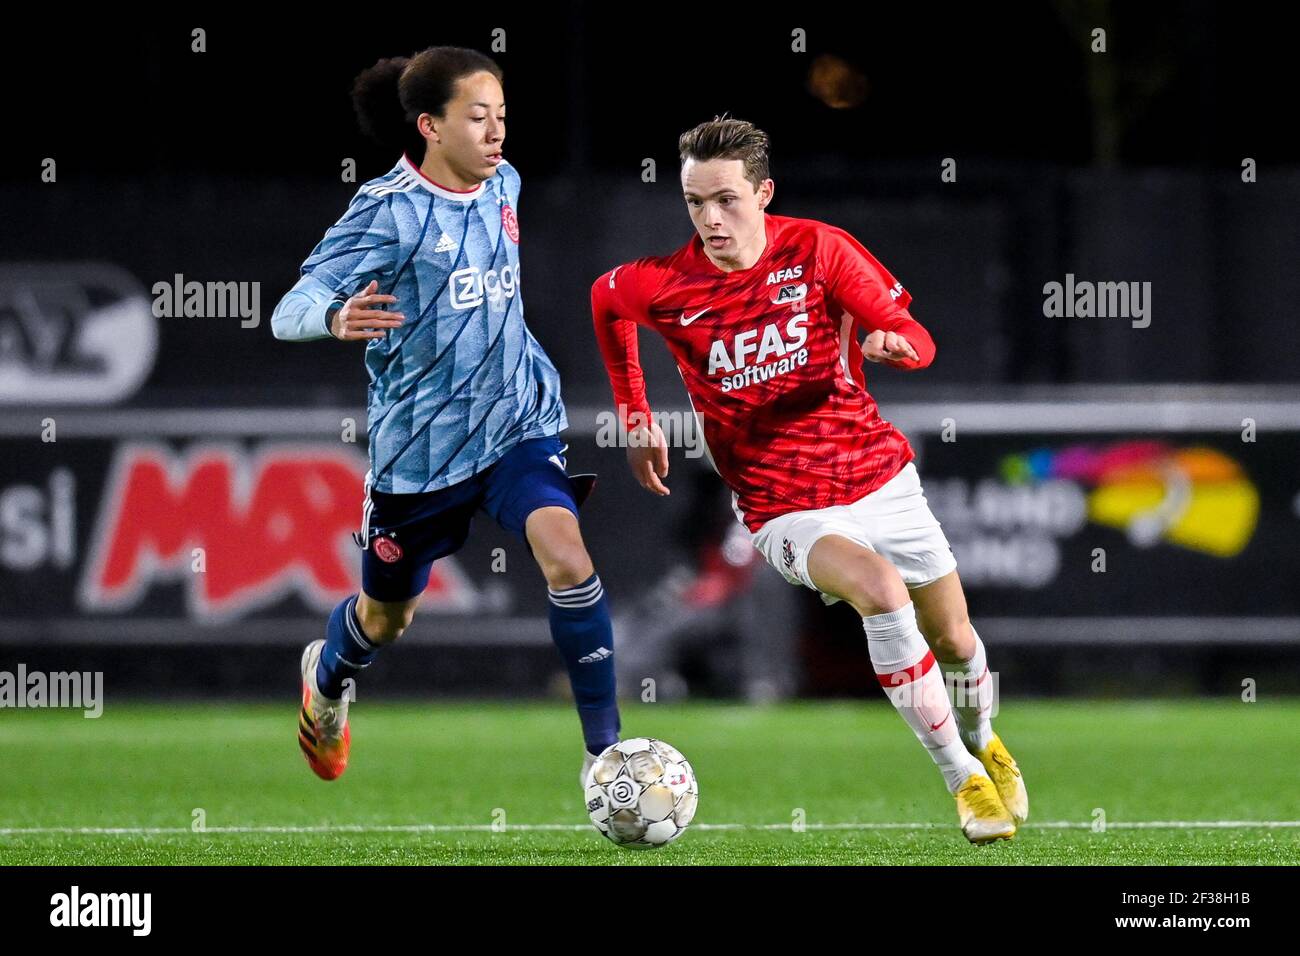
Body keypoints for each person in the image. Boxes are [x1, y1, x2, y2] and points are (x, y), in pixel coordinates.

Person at [589, 116, 1027, 843]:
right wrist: (634, 414)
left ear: (763, 192)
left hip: (880, 477)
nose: (710, 218)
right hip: (782, 504)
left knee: (953, 638)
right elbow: (605, 301)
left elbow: (913, 334)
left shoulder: (819, 250)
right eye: (696, 203)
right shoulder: (666, 285)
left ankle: (987, 740)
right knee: (881, 593)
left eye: (726, 199)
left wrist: (898, 347)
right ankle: (962, 779)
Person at [271, 47, 619, 787]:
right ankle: (327, 680)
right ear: (430, 126)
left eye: (502, 117)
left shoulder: (507, 185)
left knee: (567, 553)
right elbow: (287, 308)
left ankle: (605, 758)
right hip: (421, 454)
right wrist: (333, 314)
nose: (497, 134)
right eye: (477, 118)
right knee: (386, 620)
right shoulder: (385, 211)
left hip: (516, 425)